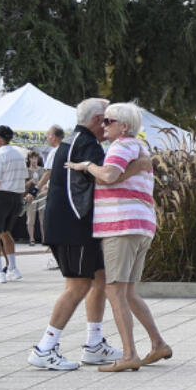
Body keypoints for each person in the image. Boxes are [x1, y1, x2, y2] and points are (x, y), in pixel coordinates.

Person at [67, 101, 171, 372]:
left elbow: (109, 176)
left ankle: (129, 354)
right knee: (129, 292)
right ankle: (158, 343)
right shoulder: (140, 147)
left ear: (124, 126)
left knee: (114, 289)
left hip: (121, 226)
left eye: (108, 121)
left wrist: (87, 166)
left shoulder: (121, 146)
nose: (103, 125)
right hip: (141, 224)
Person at [29, 99, 124, 371]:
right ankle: (44, 347)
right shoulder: (87, 144)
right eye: (107, 119)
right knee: (78, 285)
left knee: (98, 280)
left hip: (70, 223)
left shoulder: (73, 139)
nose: (108, 125)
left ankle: (94, 344)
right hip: (74, 225)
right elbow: (107, 177)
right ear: (96, 120)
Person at [0, 124, 27, 283]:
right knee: (6, 232)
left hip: (1, 196)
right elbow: (25, 178)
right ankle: (13, 269)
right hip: (16, 195)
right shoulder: (19, 154)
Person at [38, 125, 65, 268]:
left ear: (54, 137)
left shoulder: (55, 152)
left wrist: (36, 188)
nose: (47, 138)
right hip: (62, 192)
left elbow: (48, 172)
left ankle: (58, 258)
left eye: (48, 135)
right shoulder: (66, 149)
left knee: (51, 225)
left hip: (55, 194)